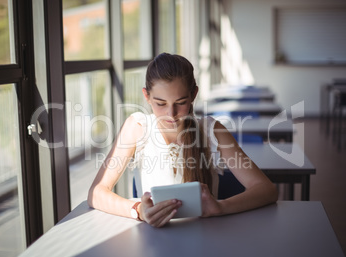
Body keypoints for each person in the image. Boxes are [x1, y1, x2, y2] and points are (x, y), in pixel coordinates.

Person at [88, 53, 278, 227]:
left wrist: (221, 207)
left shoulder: (212, 130)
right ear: (147, 96)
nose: (171, 114)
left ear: (193, 95)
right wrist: (138, 210)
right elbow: (96, 193)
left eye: (180, 103)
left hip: (207, 239)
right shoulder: (137, 128)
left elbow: (266, 189)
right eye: (160, 103)